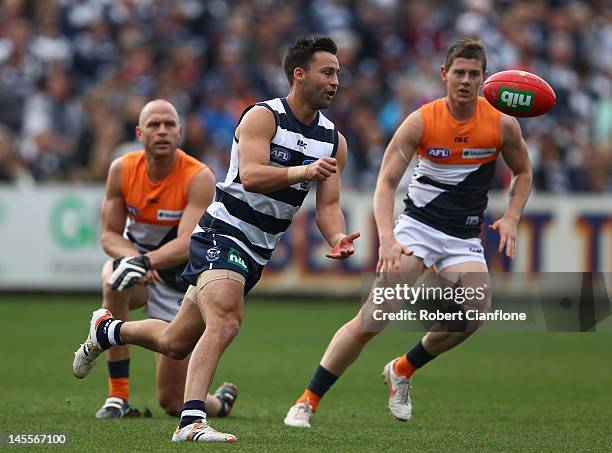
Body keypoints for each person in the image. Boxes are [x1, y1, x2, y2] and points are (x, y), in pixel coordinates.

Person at [73, 36, 360, 443]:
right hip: (222, 232)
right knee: (226, 320)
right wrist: (303, 172)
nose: (335, 81)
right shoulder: (263, 118)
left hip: (257, 249)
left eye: (338, 74)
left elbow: (328, 205)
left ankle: (107, 332)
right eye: (327, 72)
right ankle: (190, 423)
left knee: (175, 342)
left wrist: (337, 236)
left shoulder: (334, 140)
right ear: (299, 74)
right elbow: (252, 175)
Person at [284, 38, 533, 428]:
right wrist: (388, 237)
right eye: (459, 73)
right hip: (416, 230)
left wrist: (513, 215)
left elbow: (523, 173)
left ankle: (402, 368)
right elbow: (385, 184)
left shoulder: (502, 124)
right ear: (444, 75)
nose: (465, 81)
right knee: (374, 318)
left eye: (473, 74)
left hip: (463, 238)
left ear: (485, 79)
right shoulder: (421, 121)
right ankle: (307, 400)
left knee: (474, 312)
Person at [72, 99, 238, 420]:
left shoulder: (198, 176)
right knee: (113, 278)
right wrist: (135, 261)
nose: (162, 131)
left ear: (180, 133)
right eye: (153, 125)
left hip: (181, 285)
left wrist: (145, 262)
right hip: (142, 275)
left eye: (169, 125)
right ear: (139, 132)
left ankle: (221, 403)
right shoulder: (121, 169)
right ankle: (118, 397)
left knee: (172, 402)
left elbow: (187, 243)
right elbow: (109, 235)